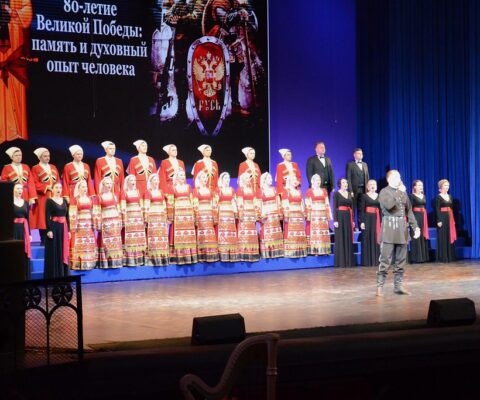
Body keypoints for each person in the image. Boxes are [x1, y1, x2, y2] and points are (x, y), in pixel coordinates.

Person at [376, 170, 420, 296]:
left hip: (402, 229)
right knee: (385, 260)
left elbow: (409, 211)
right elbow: (390, 205)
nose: (400, 179)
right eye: (397, 177)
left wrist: (415, 227)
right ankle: (380, 287)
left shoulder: (403, 192)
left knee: (401, 260)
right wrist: (401, 191)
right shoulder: (384, 191)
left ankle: (398, 286)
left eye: (400, 177)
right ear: (390, 179)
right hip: (389, 228)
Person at [0, 0, 33, 142]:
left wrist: (10, 11)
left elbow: (27, 18)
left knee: (15, 89)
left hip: (15, 49)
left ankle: (17, 134)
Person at [167, 169, 198, 265]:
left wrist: (195, 213)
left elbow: (193, 201)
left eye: (184, 175)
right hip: (178, 214)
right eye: (180, 175)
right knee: (179, 234)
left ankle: (189, 256)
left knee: (188, 235)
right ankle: (179, 257)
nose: (183, 177)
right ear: (176, 177)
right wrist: (170, 215)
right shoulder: (172, 188)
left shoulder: (188, 187)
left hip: (188, 214)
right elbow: (170, 202)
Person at [30, 147, 60, 244]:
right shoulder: (35, 168)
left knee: (55, 216)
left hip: (54, 196)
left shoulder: (53, 167)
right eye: (45, 156)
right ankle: (43, 239)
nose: (47, 158)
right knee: (43, 218)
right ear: (40, 157)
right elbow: (34, 182)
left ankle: (55, 237)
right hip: (43, 197)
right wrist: (46, 187)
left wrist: (58, 190)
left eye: (48, 156)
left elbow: (58, 181)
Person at [69, 181, 98, 270]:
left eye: (86, 187)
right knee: (79, 243)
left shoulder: (90, 199)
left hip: (89, 224)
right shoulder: (75, 199)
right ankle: (79, 263)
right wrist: (74, 225)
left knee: (88, 243)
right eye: (83, 187)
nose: (85, 189)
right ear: (78, 188)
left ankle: (90, 263)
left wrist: (95, 223)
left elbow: (94, 212)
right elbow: (72, 213)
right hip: (80, 225)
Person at [97, 177, 123, 269]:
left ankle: (116, 262)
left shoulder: (114, 196)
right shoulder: (99, 197)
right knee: (106, 243)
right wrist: (98, 223)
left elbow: (118, 209)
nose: (109, 185)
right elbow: (98, 211)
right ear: (103, 185)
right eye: (107, 184)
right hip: (106, 222)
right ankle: (106, 263)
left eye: (110, 183)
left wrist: (120, 221)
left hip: (115, 222)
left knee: (115, 242)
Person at [44, 182, 69, 279]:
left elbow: (67, 216)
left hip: (63, 228)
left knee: (63, 250)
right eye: (56, 188)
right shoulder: (49, 201)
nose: (59, 189)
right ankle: (54, 275)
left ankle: (64, 275)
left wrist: (69, 231)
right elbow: (47, 216)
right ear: (52, 189)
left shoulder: (65, 201)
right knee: (55, 251)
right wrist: (49, 230)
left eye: (60, 187)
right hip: (54, 228)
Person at [193, 171, 220, 262]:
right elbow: (195, 204)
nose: (205, 179)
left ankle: (211, 255)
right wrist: (196, 216)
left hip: (209, 214)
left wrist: (214, 216)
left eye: (206, 177)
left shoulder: (210, 191)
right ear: (199, 179)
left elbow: (214, 204)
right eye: (203, 177)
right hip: (201, 214)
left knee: (209, 234)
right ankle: (202, 255)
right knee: (202, 234)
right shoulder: (196, 190)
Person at [144, 173, 170, 266]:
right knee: (153, 238)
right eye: (154, 180)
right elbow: (146, 206)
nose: (156, 181)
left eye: (157, 180)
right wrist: (146, 218)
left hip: (161, 217)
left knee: (162, 237)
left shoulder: (161, 192)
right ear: (150, 182)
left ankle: (163, 258)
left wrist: (165, 216)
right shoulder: (148, 192)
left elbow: (164, 205)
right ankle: (154, 259)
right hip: (153, 217)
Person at [121, 175, 147, 266]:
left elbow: (141, 204)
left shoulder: (138, 192)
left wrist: (143, 217)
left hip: (138, 217)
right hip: (129, 217)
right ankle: (130, 259)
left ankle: (139, 259)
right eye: (131, 180)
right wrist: (124, 219)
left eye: (134, 180)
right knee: (130, 238)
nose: (133, 182)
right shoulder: (124, 192)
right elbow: (123, 207)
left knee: (138, 237)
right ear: (127, 182)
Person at [258, 172, 284, 259]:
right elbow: (259, 204)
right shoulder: (260, 191)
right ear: (264, 180)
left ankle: (276, 252)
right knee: (267, 233)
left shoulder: (274, 189)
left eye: (271, 178)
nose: (271, 180)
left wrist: (280, 212)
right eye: (269, 178)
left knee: (275, 233)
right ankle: (267, 253)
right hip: (266, 215)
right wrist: (261, 215)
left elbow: (278, 201)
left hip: (274, 214)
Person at [305, 174, 332, 256]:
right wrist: (309, 215)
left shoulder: (324, 191)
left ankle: (324, 250)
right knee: (316, 233)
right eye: (316, 180)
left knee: (323, 232)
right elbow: (308, 204)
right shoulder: (309, 191)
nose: (318, 182)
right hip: (314, 214)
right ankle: (316, 250)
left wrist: (329, 214)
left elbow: (327, 203)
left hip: (323, 214)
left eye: (319, 180)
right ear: (312, 181)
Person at [236, 172, 260, 262]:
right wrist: (241, 214)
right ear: (242, 180)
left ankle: (253, 253)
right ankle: (244, 254)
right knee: (245, 233)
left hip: (251, 213)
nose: (248, 180)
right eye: (246, 178)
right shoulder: (240, 190)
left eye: (249, 179)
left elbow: (255, 202)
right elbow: (240, 202)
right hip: (245, 213)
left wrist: (256, 213)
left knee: (252, 233)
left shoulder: (251, 190)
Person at [216, 172, 239, 262]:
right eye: (225, 178)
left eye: (229, 178)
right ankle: (223, 254)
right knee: (223, 233)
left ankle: (232, 254)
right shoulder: (218, 190)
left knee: (230, 232)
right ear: (221, 179)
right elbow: (216, 202)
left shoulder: (232, 189)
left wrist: (236, 212)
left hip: (230, 213)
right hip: (222, 213)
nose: (228, 179)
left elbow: (234, 201)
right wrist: (216, 214)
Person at [282, 175, 307, 258]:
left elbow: (302, 203)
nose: (295, 181)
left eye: (295, 179)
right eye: (293, 179)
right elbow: (285, 204)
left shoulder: (299, 192)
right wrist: (286, 215)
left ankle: (300, 251)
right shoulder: (286, 191)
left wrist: (303, 213)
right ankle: (291, 252)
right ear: (289, 181)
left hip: (299, 215)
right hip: (291, 215)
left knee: (299, 233)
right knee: (291, 233)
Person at [333, 178, 355, 267]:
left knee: (348, 237)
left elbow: (352, 208)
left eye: (346, 182)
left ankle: (349, 261)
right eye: (343, 182)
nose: (345, 183)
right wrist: (335, 220)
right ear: (339, 184)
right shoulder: (336, 194)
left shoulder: (350, 194)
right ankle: (341, 261)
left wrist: (353, 220)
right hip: (340, 217)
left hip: (348, 216)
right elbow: (335, 207)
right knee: (341, 238)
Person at [359, 179, 381, 266]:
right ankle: (367, 261)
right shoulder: (364, 196)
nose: (372, 186)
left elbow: (381, 210)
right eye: (371, 184)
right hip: (367, 219)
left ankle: (376, 260)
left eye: (374, 184)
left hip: (377, 219)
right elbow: (361, 210)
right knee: (367, 238)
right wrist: (362, 221)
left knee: (376, 237)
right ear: (367, 187)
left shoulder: (379, 196)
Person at [346, 148, 369, 226]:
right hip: (354, 190)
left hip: (363, 189)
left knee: (362, 207)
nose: (361, 155)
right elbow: (348, 178)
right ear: (354, 155)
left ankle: (361, 224)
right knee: (353, 207)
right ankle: (352, 224)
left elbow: (367, 177)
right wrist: (350, 190)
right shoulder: (350, 164)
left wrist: (368, 189)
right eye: (359, 153)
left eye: (361, 153)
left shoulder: (365, 164)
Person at [435, 179, 456, 263]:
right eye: (445, 185)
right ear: (441, 186)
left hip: (449, 217)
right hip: (442, 217)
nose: (447, 187)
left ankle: (450, 256)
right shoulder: (438, 197)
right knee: (443, 236)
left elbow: (452, 208)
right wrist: (439, 220)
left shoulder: (450, 196)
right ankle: (443, 257)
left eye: (448, 185)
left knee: (449, 235)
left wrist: (453, 219)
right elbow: (437, 209)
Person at [13, 183, 31, 279]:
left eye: (21, 188)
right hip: (14, 229)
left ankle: (25, 277)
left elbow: (28, 218)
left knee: (24, 253)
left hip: (24, 230)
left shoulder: (26, 203)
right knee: (15, 252)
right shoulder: (9, 202)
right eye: (17, 188)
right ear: (13, 190)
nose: (20, 190)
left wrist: (30, 234)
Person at [410, 180, 430, 263]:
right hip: (416, 216)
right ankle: (416, 257)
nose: (421, 187)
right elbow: (409, 209)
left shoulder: (423, 196)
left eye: (421, 185)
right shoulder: (411, 196)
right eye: (419, 185)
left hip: (423, 216)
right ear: (414, 187)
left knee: (422, 235)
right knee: (417, 235)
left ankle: (424, 257)